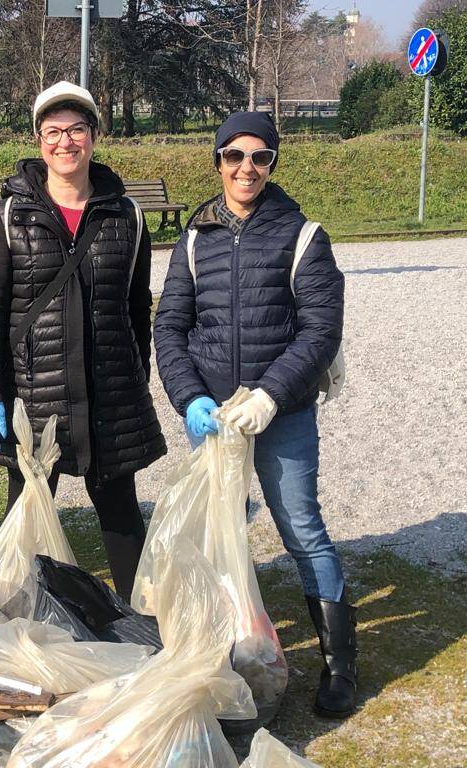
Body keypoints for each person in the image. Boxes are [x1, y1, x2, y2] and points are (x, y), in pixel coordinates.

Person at [153, 111, 355, 718]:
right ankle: (227, 653)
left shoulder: (304, 236)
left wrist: (270, 395)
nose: (247, 167)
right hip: (216, 422)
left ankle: (340, 664)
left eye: (260, 156)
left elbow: (320, 330)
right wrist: (189, 396)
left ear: (273, 163)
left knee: (301, 528)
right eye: (234, 155)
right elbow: (170, 326)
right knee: (221, 535)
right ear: (216, 161)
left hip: (281, 415)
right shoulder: (196, 238)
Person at [0, 81, 167, 599]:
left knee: (121, 514)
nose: (65, 142)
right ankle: (17, 625)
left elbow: (135, 304)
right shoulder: (10, 216)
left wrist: (135, 372)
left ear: (94, 136)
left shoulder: (127, 215)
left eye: (77, 129)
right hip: (37, 394)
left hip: (109, 394)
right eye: (53, 131)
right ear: (39, 141)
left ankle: (142, 624)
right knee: (27, 517)